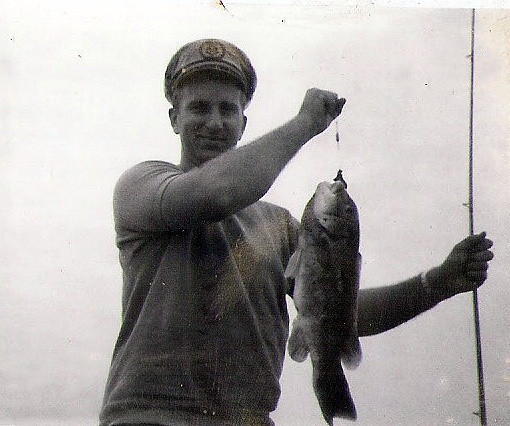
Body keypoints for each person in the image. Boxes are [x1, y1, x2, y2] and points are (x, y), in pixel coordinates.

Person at [99, 39, 494, 426]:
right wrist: (305, 124)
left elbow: (338, 313)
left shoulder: (281, 227)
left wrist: (437, 282)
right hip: (151, 416)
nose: (215, 122)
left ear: (243, 124)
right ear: (174, 119)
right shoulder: (144, 187)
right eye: (199, 108)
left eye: (228, 110)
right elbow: (216, 192)